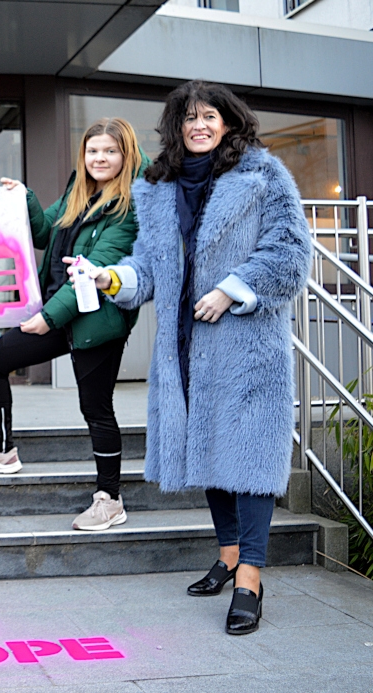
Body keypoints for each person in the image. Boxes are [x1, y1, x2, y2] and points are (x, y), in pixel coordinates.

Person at [81, 81, 311, 635]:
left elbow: (290, 251)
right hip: (183, 345)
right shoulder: (156, 188)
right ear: (176, 127)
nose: (199, 125)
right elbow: (147, 269)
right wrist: (110, 277)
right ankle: (229, 555)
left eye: (210, 116)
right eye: (189, 118)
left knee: (250, 458)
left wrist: (233, 288)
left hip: (246, 344)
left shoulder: (263, 176)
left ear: (229, 122)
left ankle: (251, 578)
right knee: (208, 448)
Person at [0, 118, 149, 532]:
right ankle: (1, 448)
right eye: (93, 150)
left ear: (126, 154)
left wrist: (47, 318)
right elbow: (44, 233)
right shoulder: (78, 192)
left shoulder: (130, 207)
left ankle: (110, 499)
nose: (99, 158)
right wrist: (25, 198)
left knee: (95, 409)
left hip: (98, 321)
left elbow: (98, 268)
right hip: (60, 311)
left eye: (110, 151)